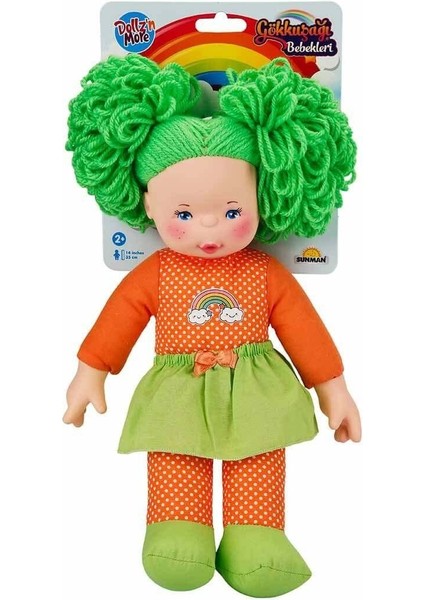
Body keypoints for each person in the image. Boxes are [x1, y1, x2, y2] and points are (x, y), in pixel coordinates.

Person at [64, 55, 361, 597]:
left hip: (256, 392)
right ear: (148, 202)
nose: (209, 227)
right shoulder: (156, 272)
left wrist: (333, 389)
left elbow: (303, 330)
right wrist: (91, 372)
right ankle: (177, 531)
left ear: (260, 197)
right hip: (178, 390)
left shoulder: (265, 273)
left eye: (231, 211)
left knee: (258, 459)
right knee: (175, 456)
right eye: (183, 213)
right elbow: (119, 320)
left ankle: (256, 537)